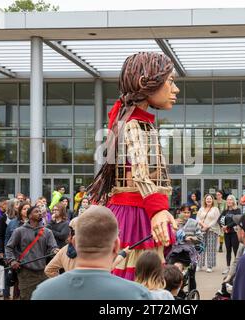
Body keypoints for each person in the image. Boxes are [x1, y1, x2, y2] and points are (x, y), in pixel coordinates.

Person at [87, 52, 179, 280]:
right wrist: (158, 209)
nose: (175, 89)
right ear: (144, 83)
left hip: (132, 210)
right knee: (142, 280)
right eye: (171, 81)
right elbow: (140, 173)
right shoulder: (136, 124)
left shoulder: (128, 121)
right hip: (137, 214)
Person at [32, 206, 152, 300]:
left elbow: (49, 269)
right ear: (116, 246)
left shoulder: (43, 293)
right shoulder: (137, 295)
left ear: (74, 242)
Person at [5, 206, 59, 300]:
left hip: (43, 272)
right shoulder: (19, 231)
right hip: (25, 273)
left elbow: (53, 247)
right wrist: (12, 260)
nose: (39, 213)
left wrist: (55, 251)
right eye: (36, 211)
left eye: (40, 212)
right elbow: (9, 247)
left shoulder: (47, 232)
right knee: (27, 297)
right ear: (29, 216)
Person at [166, 204, 202, 292]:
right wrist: (174, 229)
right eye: (184, 212)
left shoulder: (194, 223)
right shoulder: (174, 222)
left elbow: (200, 238)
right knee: (170, 271)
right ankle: (174, 291)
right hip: (176, 251)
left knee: (191, 275)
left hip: (189, 252)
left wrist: (192, 238)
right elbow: (169, 236)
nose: (186, 214)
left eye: (188, 212)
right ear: (180, 212)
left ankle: (192, 293)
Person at [4, 201, 30, 300]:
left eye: (28, 208)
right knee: (16, 282)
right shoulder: (13, 223)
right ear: (20, 211)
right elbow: (7, 240)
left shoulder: (35, 222)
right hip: (16, 256)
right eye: (24, 209)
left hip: (30, 257)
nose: (26, 211)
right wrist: (7, 257)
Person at [218, 194, 241, 275]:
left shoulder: (237, 210)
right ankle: (228, 267)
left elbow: (236, 221)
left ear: (234, 201)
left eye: (231, 199)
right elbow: (219, 219)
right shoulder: (225, 211)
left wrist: (227, 226)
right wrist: (222, 227)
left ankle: (237, 268)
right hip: (227, 233)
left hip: (235, 233)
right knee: (228, 250)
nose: (229, 201)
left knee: (235, 251)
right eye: (228, 199)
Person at [197, 194, 220, 273]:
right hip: (201, 230)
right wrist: (203, 225)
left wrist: (207, 226)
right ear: (205, 200)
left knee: (211, 248)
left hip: (212, 230)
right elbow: (198, 218)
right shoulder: (201, 208)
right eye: (207, 199)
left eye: (210, 199)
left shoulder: (215, 209)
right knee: (200, 247)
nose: (209, 200)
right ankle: (199, 265)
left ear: (212, 200)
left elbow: (216, 220)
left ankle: (210, 266)